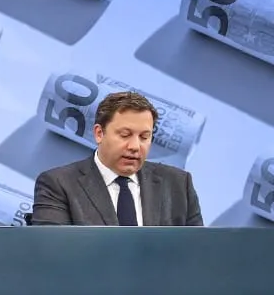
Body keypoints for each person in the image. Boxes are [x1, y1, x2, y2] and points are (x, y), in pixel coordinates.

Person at [31, 91, 203, 226]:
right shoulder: (58, 184)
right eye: (125, 135)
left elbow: (199, 252)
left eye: (144, 137)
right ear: (99, 133)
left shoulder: (178, 184)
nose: (135, 146)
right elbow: (52, 253)